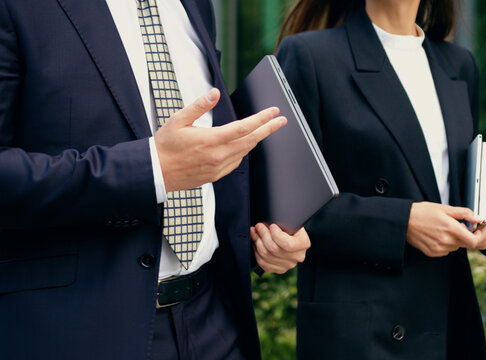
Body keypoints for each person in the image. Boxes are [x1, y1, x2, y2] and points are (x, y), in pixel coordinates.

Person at [0, 0, 309, 359]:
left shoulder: (194, 6)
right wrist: (148, 169)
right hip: (81, 330)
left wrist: (263, 235)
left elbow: (203, 151)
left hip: (214, 320)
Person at [276, 0, 486, 358]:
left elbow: (445, 175)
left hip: (446, 321)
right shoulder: (310, 56)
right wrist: (404, 223)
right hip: (364, 332)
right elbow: (291, 208)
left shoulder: (459, 65)